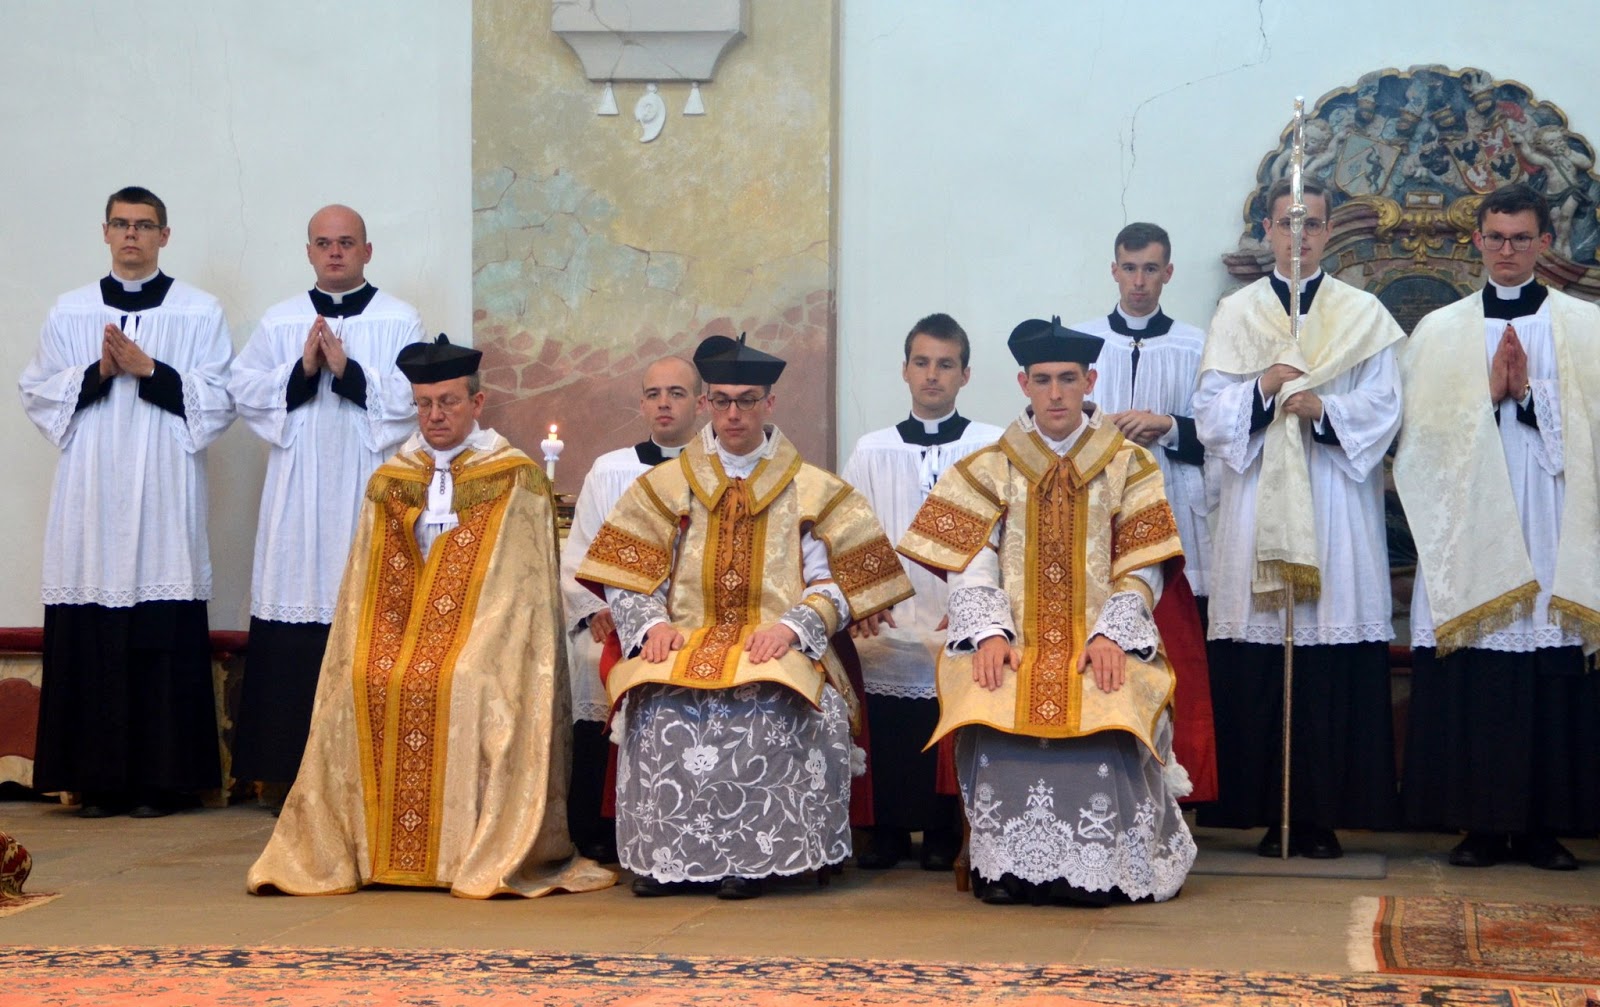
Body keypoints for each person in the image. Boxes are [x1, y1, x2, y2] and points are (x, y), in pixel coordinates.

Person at [248, 336, 614, 898]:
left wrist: (461, 644)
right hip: (402, 631)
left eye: (447, 402)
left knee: (463, 680)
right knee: (360, 676)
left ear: (477, 403)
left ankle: (463, 854)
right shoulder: (394, 475)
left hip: (484, 636)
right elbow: (365, 585)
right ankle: (369, 853)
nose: (435, 416)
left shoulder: (514, 477)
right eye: (424, 404)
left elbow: (519, 594)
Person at [576, 334, 912, 900]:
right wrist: (651, 626)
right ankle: (668, 860)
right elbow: (628, 574)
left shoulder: (813, 489)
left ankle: (753, 860)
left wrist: (794, 628)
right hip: (684, 641)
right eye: (724, 401)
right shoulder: (664, 486)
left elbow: (839, 579)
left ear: (769, 404)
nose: (735, 414)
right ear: (706, 403)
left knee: (767, 709)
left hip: (776, 644)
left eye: (748, 401)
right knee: (658, 709)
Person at [897, 318, 1196, 906]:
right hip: (1015, 642)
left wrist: (1114, 634)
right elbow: (971, 560)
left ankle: (1104, 865)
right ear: (1022, 384)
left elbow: (1142, 563)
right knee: (990, 691)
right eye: (1042, 380)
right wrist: (986, 633)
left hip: (1100, 640)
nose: (1055, 393)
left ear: (1089, 381)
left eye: (1067, 380)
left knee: (1111, 698)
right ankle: (1004, 866)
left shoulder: (1130, 464)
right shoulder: (990, 465)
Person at [1193, 178, 1403, 859]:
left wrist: (1324, 410)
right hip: (1259, 507)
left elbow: (1386, 406)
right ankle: (1263, 812)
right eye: (1287, 223)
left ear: (1327, 231)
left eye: (1311, 223)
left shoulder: (1363, 313)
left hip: (1334, 504)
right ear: (1269, 230)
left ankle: (1323, 817)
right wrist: (1264, 385)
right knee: (1260, 663)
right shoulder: (1237, 313)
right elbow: (1209, 413)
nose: (1300, 235)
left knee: (1329, 667)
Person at [1394, 183, 1600, 870]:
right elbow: (1415, 444)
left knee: (1548, 668)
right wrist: (1485, 396)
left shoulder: (1584, 327)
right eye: (1495, 237)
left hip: (1549, 515)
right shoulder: (1441, 331)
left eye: (1521, 237)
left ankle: (1543, 825)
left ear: (1545, 242)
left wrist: (1534, 398)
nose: (1507, 250)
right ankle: (1478, 824)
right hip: (1469, 524)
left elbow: (1595, 438)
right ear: (1476, 240)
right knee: (1478, 672)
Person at [19, 186, 235, 819]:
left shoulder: (199, 311)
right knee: (92, 627)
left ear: (165, 236)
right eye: (121, 224)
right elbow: (38, 393)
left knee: (159, 629)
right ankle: (97, 781)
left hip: (164, 490)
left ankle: (160, 784)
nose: (132, 235)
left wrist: (150, 369)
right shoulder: (71, 311)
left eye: (145, 225)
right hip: (91, 493)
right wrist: (99, 373)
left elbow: (220, 399)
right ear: (105, 233)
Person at [228, 205, 424, 804]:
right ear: (308, 252)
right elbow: (243, 389)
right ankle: (284, 774)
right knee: (294, 616)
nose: (335, 252)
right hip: (298, 495)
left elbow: (419, 398)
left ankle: (367, 775)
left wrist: (347, 369)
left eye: (346, 243)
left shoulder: (399, 319)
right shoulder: (282, 320)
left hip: (369, 485)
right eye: (323, 243)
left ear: (367, 251)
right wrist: (302, 368)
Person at [839, 313, 1001, 870]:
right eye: (922, 363)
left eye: (946, 364)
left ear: (965, 374)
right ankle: (885, 828)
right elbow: (847, 532)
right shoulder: (871, 450)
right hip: (890, 615)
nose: (933, 375)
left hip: (960, 619)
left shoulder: (992, 447)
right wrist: (864, 601)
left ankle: (939, 828)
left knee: (947, 695)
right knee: (881, 682)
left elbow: (1004, 534)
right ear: (905, 370)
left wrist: (975, 612)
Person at [1069, 223, 1218, 805]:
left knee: (1176, 656)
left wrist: (1169, 426)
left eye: (1151, 269)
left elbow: (1227, 437)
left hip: (1176, 511)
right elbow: (1047, 425)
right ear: (1114, 270)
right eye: (1129, 269)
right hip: (1095, 528)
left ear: (1168, 273)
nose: (1139, 282)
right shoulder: (1079, 343)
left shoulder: (1195, 344)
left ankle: (1177, 789)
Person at [558, 355, 705, 863]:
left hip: (697, 621)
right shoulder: (612, 470)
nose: (663, 403)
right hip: (618, 616)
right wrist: (594, 607)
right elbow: (580, 554)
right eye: (653, 394)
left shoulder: (717, 469)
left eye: (677, 393)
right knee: (588, 663)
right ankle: (598, 824)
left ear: (701, 403)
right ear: (642, 403)